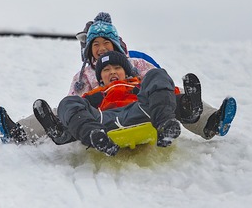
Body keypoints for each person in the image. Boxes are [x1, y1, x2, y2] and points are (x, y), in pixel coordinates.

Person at [0, 12, 237, 146]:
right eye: (95, 45)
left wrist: (177, 102)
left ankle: (210, 121)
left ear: (117, 45)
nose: (101, 49)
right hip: (104, 114)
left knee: (176, 95)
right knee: (63, 108)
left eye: (106, 43)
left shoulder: (137, 63)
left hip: (144, 108)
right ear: (88, 50)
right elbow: (74, 104)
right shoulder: (84, 77)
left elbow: (161, 87)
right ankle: (21, 133)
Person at [41, 51, 188, 156]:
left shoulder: (139, 86)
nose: (112, 72)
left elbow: (167, 93)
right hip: (104, 121)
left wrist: (185, 103)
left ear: (126, 72)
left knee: (157, 74)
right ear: (100, 78)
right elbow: (76, 110)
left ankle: (165, 125)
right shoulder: (95, 93)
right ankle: (92, 135)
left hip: (141, 112)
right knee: (69, 102)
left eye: (117, 68)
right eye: (106, 70)